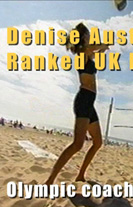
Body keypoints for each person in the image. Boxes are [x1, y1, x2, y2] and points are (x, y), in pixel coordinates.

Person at [45, 23, 109, 185]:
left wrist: (103, 49)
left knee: (98, 142)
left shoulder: (87, 53)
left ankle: (81, 175)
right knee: (77, 144)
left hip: (90, 103)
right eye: (87, 34)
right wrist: (104, 44)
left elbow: (97, 51)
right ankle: (50, 180)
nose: (89, 36)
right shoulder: (83, 51)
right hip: (83, 100)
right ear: (82, 37)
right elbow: (96, 47)